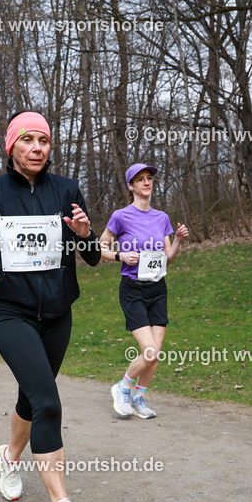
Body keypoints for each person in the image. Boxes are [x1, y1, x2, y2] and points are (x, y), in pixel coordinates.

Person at [0, 111, 103, 502]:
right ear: (12, 146)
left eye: (43, 140)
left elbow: (93, 257)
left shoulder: (67, 189)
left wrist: (84, 233)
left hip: (58, 314)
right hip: (10, 312)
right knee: (48, 402)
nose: (37, 148)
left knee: (31, 396)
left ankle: (9, 456)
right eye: (27, 140)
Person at [101, 164, 189, 419]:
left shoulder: (162, 218)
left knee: (155, 353)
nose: (146, 182)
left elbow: (167, 258)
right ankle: (123, 387)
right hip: (133, 290)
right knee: (149, 351)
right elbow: (100, 248)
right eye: (140, 179)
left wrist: (178, 240)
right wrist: (120, 255)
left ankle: (138, 397)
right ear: (131, 186)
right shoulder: (120, 216)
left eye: (149, 178)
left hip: (157, 289)